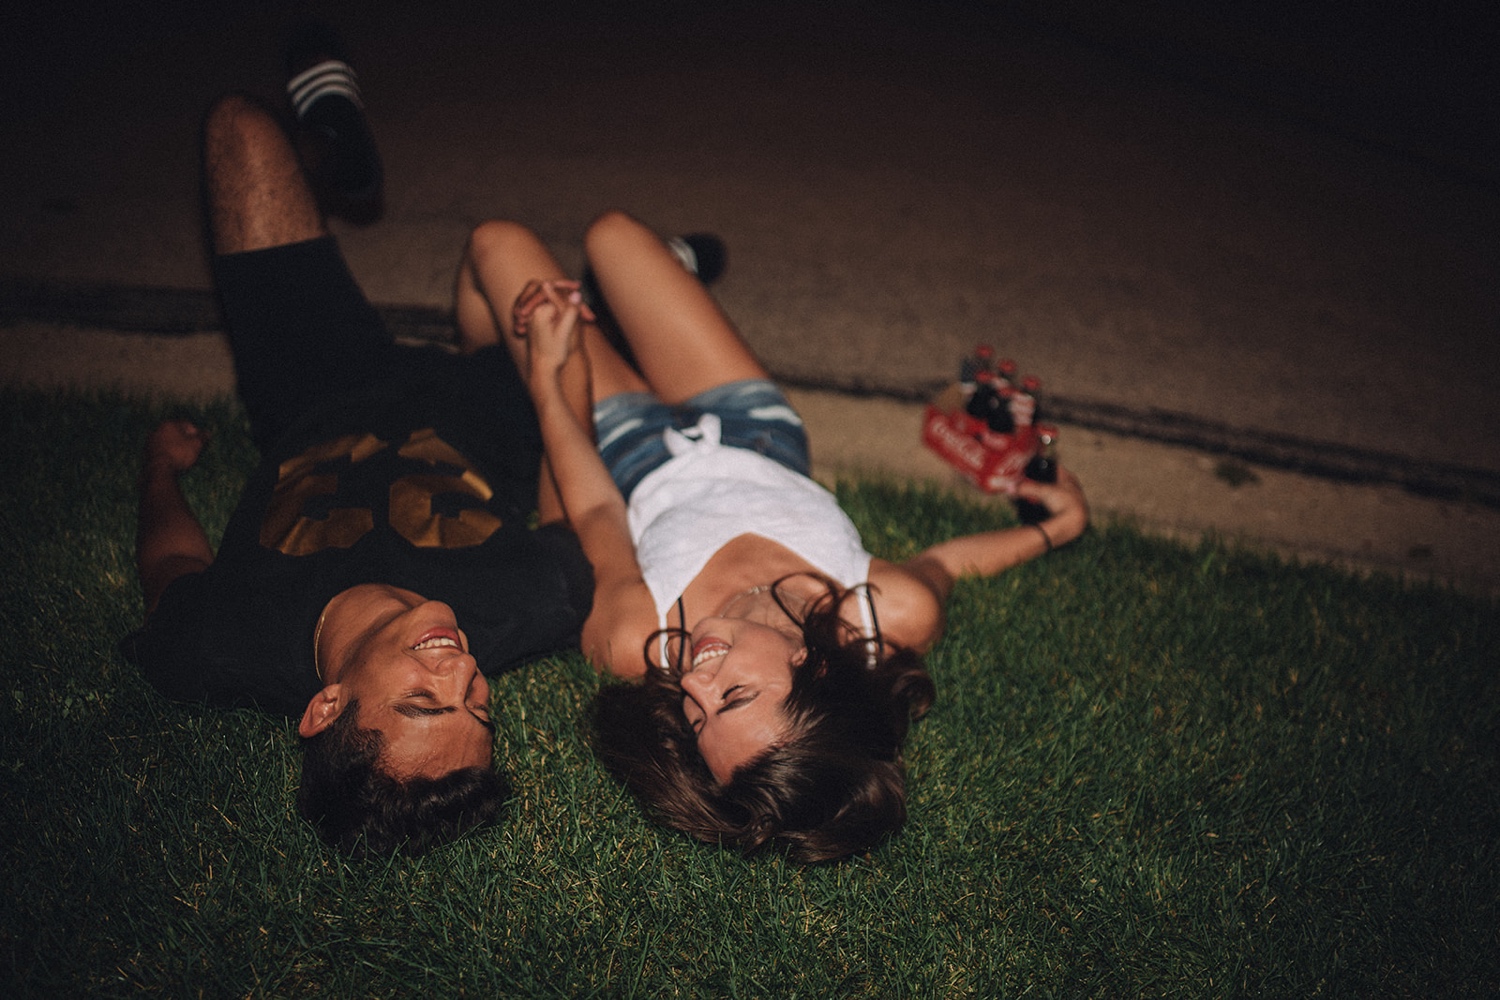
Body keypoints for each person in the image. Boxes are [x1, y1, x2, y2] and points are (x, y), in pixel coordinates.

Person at [460, 210, 1090, 862]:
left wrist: (548, 380)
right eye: (733, 695)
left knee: (496, 247)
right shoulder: (880, 609)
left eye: (697, 719)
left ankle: (485, 372)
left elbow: (592, 513)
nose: (695, 687)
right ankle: (605, 315)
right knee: (610, 235)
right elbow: (946, 564)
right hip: (753, 428)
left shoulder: (640, 639)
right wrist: (1058, 528)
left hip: (618, 452)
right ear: (812, 667)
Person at [121, 47, 594, 858]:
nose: (462, 675)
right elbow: (570, 496)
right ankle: (593, 308)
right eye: (479, 707)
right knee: (535, 296)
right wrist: (552, 375)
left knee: (238, 127)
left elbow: (170, 567)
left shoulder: (221, 644)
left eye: (422, 702)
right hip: (484, 413)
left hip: (315, 394)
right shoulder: (530, 604)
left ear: (325, 707)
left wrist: (159, 469)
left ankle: (328, 156)